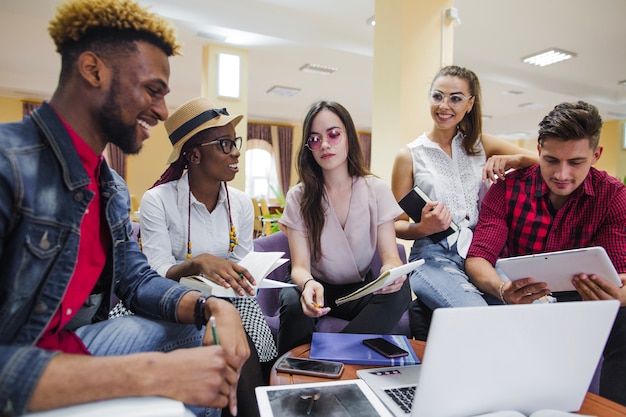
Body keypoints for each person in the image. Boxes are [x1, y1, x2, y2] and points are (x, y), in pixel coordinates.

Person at [0, 1, 249, 416]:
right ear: (94, 70)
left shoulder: (110, 187)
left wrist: (212, 306)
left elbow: (136, 281)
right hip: (22, 360)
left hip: (78, 344)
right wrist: (148, 373)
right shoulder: (10, 164)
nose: (162, 111)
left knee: (204, 338)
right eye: (153, 90)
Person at [464, 101, 626, 406]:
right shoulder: (508, 189)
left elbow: (620, 273)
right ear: (538, 151)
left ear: (596, 155)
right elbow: (479, 257)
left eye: (576, 162)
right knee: (437, 308)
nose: (562, 174)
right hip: (516, 296)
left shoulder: (613, 196)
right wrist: (502, 289)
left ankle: (613, 410)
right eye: (551, 160)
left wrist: (619, 296)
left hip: (584, 302)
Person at [139, 97, 278, 417]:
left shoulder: (241, 203)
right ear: (195, 154)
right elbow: (153, 272)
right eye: (225, 144)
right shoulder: (157, 200)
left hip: (232, 298)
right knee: (227, 347)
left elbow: (243, 259)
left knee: (252, 349)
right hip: (174, 299)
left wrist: (247, 274)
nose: (236, 152)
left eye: (235, 142)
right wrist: (195, 263)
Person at [390, 65, 538, 338]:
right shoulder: (409, 155)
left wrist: (512, 160)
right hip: (431, 258)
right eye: (437, 96)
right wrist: (423, 228)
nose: (444, 105)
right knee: (477, 318)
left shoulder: (481, 145)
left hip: (481, 255)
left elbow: (545, 161)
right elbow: (395, 226)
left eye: (455, 98)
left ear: (470, 104)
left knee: (538, 306)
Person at [277, 100, 411, 355]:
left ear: (349, 136)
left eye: (333, 134)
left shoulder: (376, 190)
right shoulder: (299, 196)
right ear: (309, 148)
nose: (325, 144)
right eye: (315, 139)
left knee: (401, 291)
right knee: (294, 303)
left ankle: (330, 356)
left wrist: (391, 274)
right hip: (313, 286)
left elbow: (391, 258)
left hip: (358, 289)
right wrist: (306, 286)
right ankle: (289, 374)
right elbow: (300, 268)